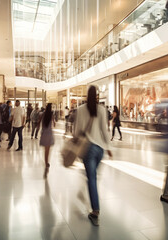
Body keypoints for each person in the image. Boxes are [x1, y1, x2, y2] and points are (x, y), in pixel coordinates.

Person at [74, 85, 112, 226]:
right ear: (96, 95)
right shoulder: (102, 110)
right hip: (99, 149)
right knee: (93, 176)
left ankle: (95, 211)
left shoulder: (80, 110)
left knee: (91, 178)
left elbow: (77, 131)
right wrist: (109, 148)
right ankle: (92, 199)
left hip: (87, 149)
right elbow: (105, 130)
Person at [39, 103, 55, 168]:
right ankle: (46, 162)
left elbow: (39, 122)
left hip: (44, 133)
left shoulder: (42, 114)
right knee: (48, 150)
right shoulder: (51, 115)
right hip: (49, 133)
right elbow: (54, 123)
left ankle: (46, 162)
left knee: (45, 150)